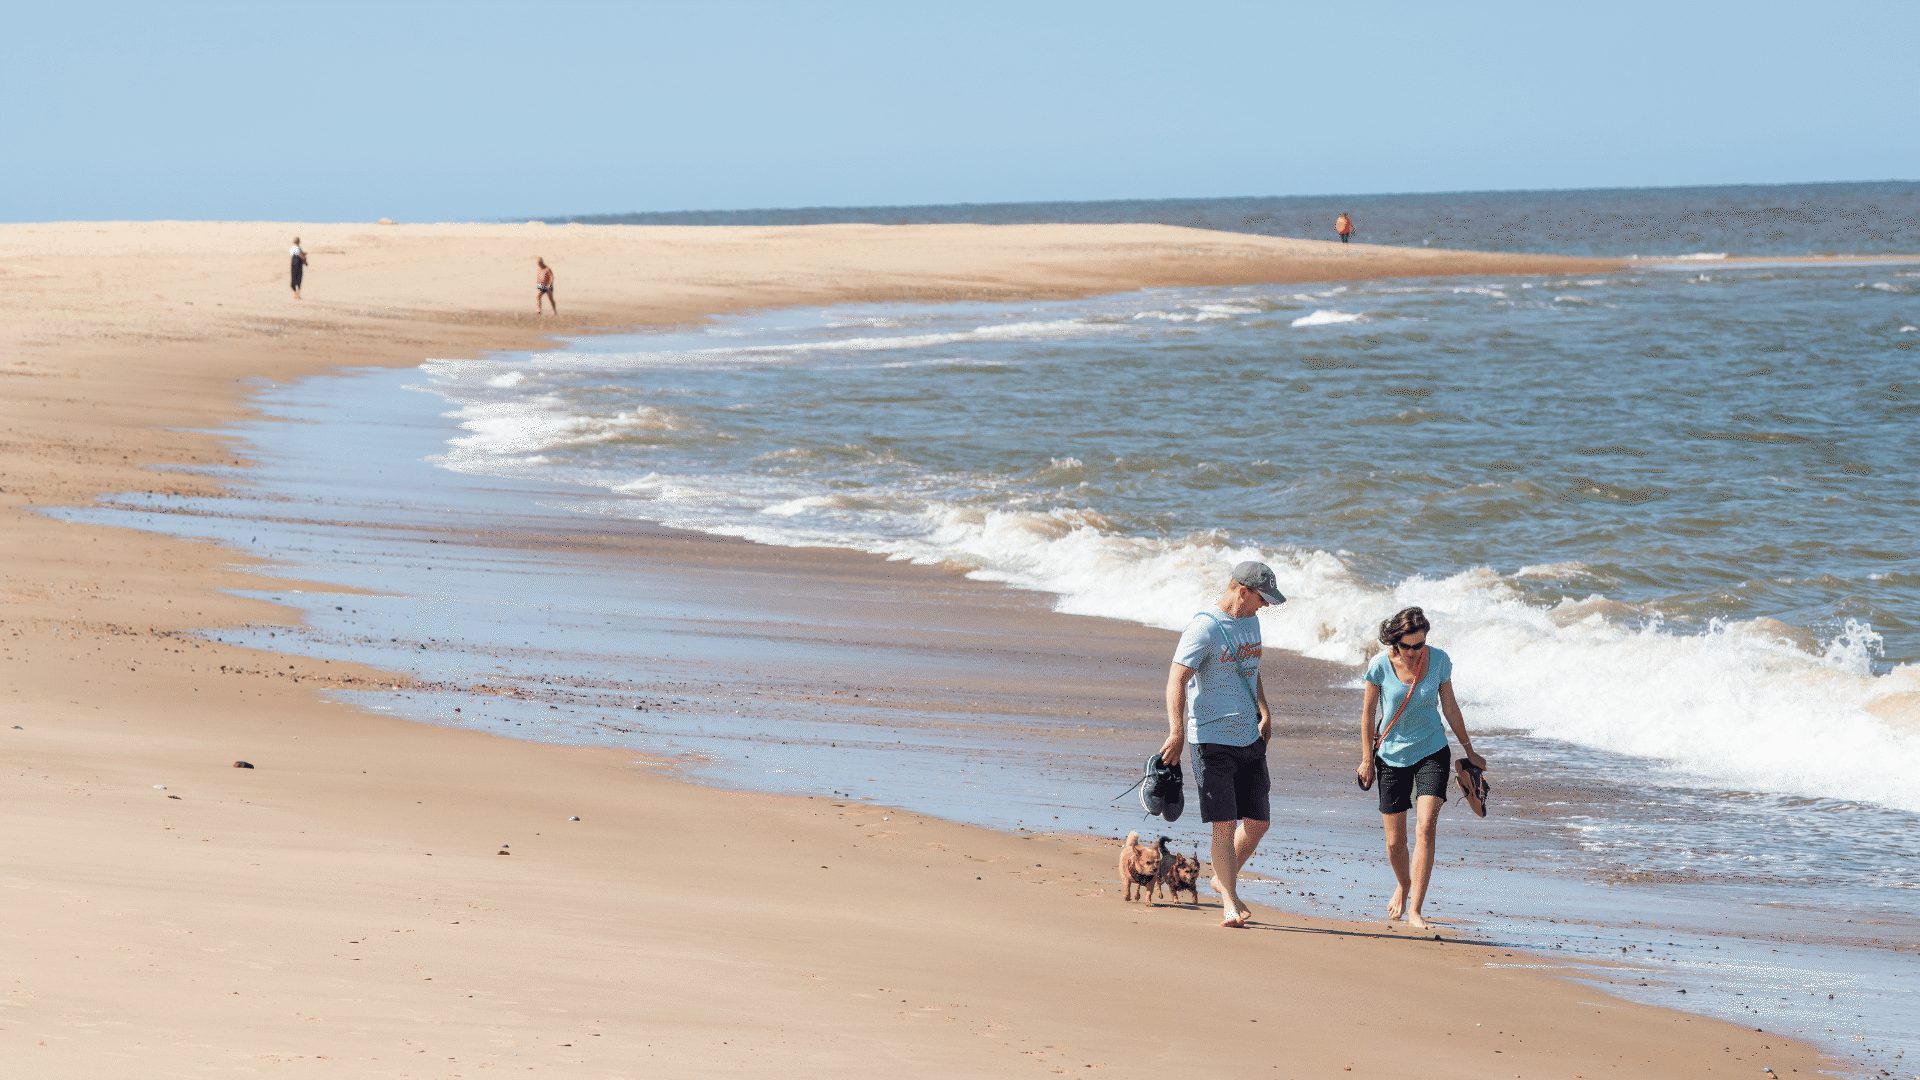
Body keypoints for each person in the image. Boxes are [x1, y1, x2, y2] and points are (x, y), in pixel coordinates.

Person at [1161, 561, 1285, 927]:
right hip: (1211, 741)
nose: (1264, 606)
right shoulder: (1204, 628)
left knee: (1258, 822)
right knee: (1224, 825)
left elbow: (1251, 668)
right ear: (1242, 591)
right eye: (1261, 599)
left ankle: (1221, 878)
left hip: (1249, 736)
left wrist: (1264, 708)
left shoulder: (1251, 621)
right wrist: (1176, 732)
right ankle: (1230, 901)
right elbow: (1176, 679)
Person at [1356, 607, 1486, 929]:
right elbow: (1368, 715)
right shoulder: (1379, 666)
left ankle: (1415, 909)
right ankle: (1403, 883)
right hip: (1391, 756)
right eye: (1408, 646)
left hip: (1432, 750)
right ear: (1395, 642)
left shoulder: (1439, 661)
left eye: (1420, 644)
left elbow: (1451, 708)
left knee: (1426, 826)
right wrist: (1365, 759)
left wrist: (1470, 751)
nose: (1415, 652)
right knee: (1394, 842)